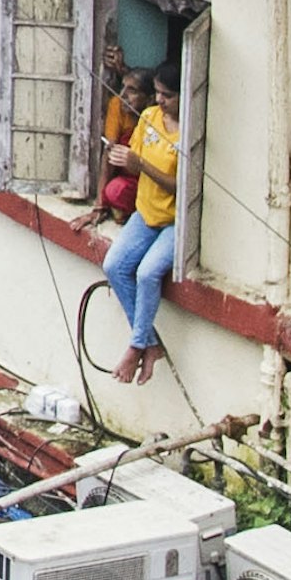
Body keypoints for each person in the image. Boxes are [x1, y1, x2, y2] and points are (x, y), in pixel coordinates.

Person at [103, 68, 183, 384]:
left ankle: (137, 347)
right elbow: (133, 157)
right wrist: (120, 157)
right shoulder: (149, 117)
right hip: (146, 213)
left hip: (175, 220)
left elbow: (182, 185)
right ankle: (151, 344)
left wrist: (141, 166)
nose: (161, 101)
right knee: (115, 265)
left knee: (147, 273)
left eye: (169, 95)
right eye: (159, 94)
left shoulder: (188, 130)